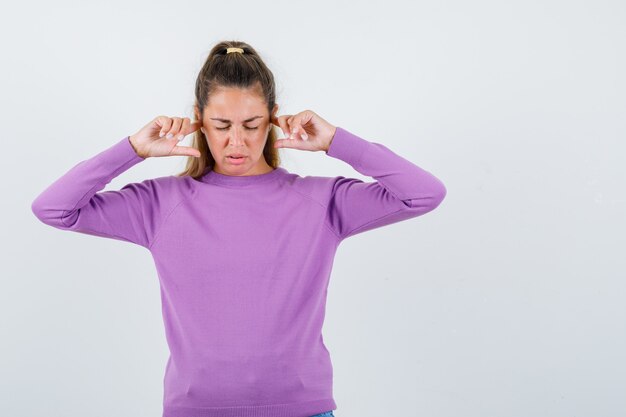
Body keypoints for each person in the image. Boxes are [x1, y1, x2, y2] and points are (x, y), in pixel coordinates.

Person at [31, 41, 447, 417]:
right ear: (198, 121)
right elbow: (54, 208)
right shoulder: (162, 204)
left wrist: (337, 141)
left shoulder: (321, 201)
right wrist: (133, 150)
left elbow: (423, 194)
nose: (236, 142)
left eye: (251, 125)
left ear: (271, 120)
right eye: (221, 125)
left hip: (303, 411)